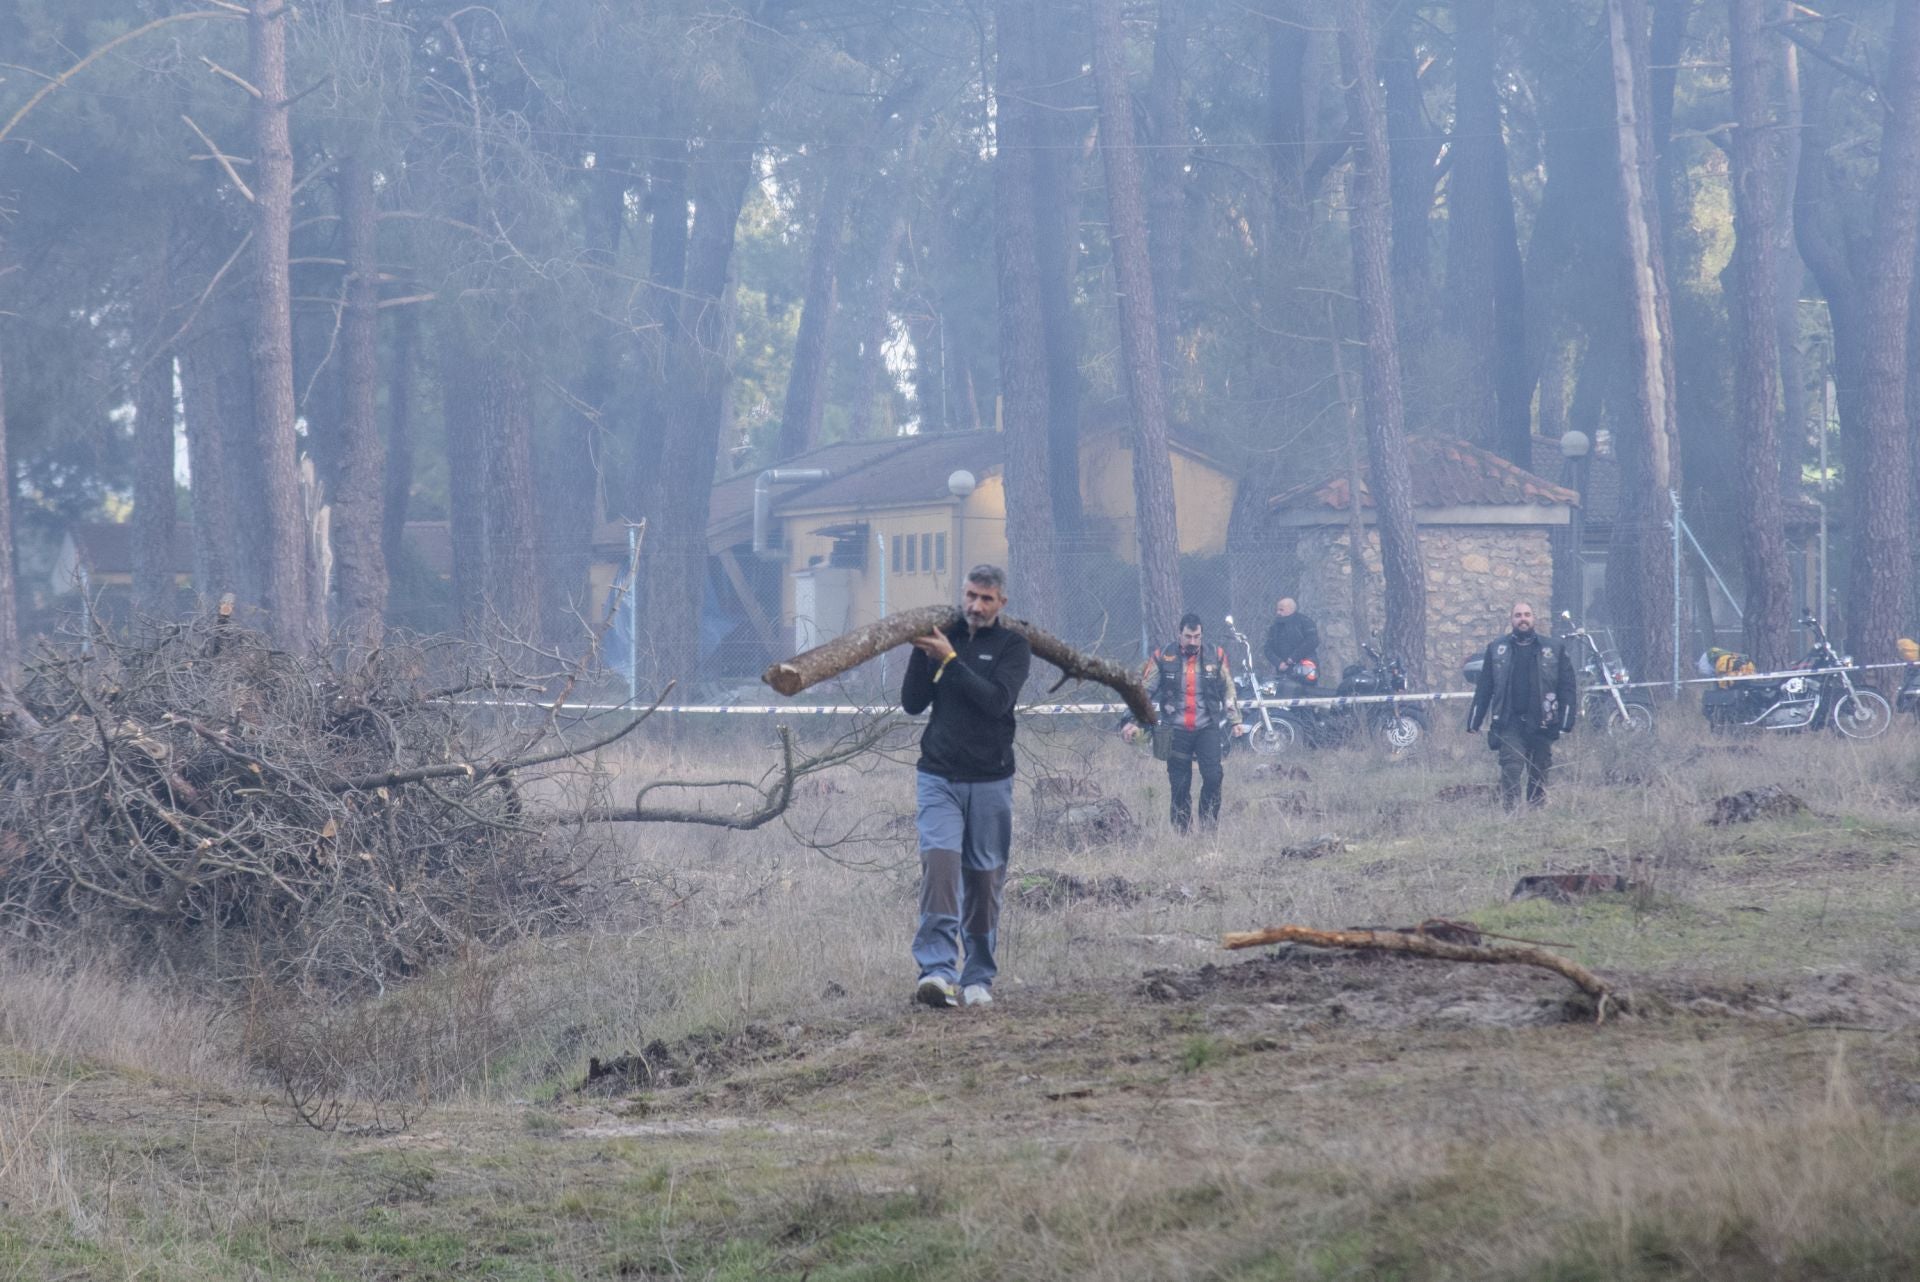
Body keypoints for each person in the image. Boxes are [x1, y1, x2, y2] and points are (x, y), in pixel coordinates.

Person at [900, 564, 1032, 1010]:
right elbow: (913, 703)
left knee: (984, 876)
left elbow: (996, 702)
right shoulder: (944, 635)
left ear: (1002, 603)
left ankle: (978, 975)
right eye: (971, 595)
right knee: (939, 865)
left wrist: (950, 662)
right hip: (938, 775)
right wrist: (925, 655)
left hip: (991, 779)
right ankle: (936, 972)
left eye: (986, 599)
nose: (975, 606)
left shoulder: (1014, 646)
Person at [1124, 612, 1244, 832]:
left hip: (1207, 727)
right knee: (1179, 784)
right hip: (1175, 729)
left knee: (1213, 776)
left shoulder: (1216, 655)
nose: (1193, 642)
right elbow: (1145, 691)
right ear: (1179, 634)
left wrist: (1235, 720)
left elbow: (1229, 689)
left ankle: (1208, 827)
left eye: (1197, 636)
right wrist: (1133, 720)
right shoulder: (1162, 656)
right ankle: (1182, 832)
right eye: (1188, 636)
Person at [1466, 601, 1577, 810]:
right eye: (1518, 615)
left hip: (1543, 720)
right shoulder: (1496, 650)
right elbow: (1484, 688)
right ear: (1512, 620)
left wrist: (1566, 720)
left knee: (1539, 769)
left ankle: (1535, 812)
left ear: (1534, 619)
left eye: (1527, 615)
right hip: (1509, 721)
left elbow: (1567, 687)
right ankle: (1512, 813)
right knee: (1511, 767)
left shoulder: (1553, 649)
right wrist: (1474, 721)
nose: (1523, 619)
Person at [1263, 597, 1320, 693]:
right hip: (1283, 671)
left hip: (1305, 668)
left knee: (1305, 693)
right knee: (1275, 692)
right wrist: (1278, 662)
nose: (1278, 612)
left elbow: (1312, 641)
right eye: (1277, 609)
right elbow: (1267, 648)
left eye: (1281, 610)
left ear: (1290, 609)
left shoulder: (1305, 622)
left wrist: (1293, 658)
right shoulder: (1275, 627)